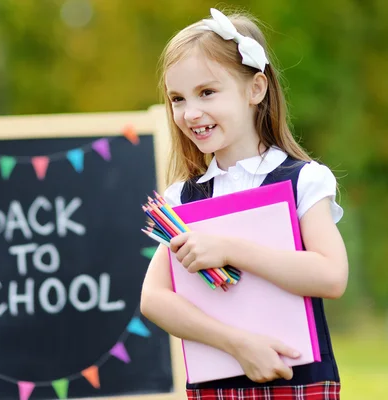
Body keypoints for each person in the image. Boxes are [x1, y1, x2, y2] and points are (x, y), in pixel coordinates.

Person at [140, 7, 348, 400]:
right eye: (177, 99)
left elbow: (331, 275)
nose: (191, 112)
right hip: (216, 385)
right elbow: (153, 298)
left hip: (298, 379)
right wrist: (236, 344)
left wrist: (228, 248)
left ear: (255, 89)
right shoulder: (181, 199)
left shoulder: (302, 179)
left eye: (207, 92)